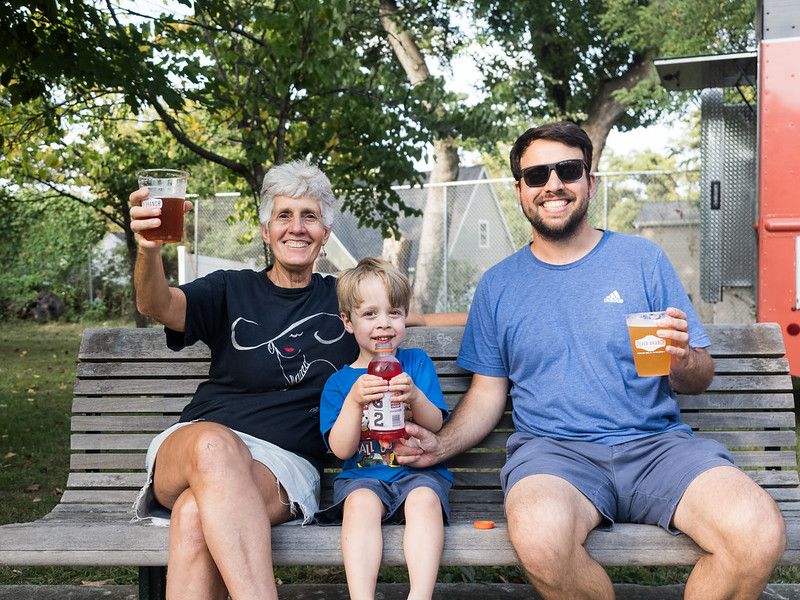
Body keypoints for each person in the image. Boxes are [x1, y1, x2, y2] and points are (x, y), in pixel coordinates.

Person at [394, 121, 786, 600]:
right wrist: (438, 445)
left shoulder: (642, 261)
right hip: (555, 455)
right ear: (519, 190)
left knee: (758, 534)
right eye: (537, 175)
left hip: (657, 447)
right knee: (540, 541)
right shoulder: (499, 284)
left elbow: (697, 376)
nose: (553, 184)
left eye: (568, 170)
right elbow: (487, 393)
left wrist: (682, 361)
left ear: (590, 180)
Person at [129, 160, 462, 600]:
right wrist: (150, 250)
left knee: (194, 513)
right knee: (213, 448)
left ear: (325, 233)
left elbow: (410, 317)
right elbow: (157, 305)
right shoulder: (229, 288)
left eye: (310, 217)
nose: (296, 227)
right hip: (197, 444)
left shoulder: (347, 303)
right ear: (266, 230)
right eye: (284, 215)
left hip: (282, 467)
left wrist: (499, 316)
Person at [315, 257, 452, 600]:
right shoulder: (340, 383)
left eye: (394, 312)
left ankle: (419, 596)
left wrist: (416, 396)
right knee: (359, 503)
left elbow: (435, 425)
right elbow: (342, 450)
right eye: (370, 314)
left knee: (423, 499)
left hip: (417, 475)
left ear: (405, 315)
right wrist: (353, 402)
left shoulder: (416, 363)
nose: (384, 324)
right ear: (348, 321)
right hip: (363, 475)